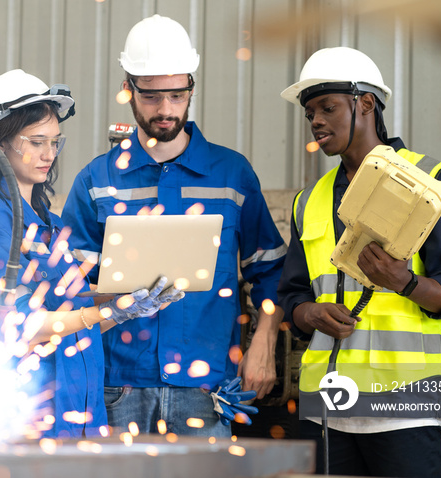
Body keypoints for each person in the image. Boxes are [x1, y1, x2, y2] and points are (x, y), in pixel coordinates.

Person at [61, 15, 287, 437]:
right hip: (118, 387)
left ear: (191, 90)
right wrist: (116, 296)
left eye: (177, 95)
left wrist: (264, 343)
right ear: (128, 90)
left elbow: (270, 269)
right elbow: (69, 287)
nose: (165, 109)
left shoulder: (232, 175)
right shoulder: (98, 181)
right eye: (151, 96)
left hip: (207, 387)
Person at [278, 47, 441, 477]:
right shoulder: (308, 201)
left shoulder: (430, 182)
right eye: (310, 111)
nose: (315, 120)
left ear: (365, 103)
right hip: (325, 409)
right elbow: (292, 296)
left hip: (404, 406)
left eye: (327, 107)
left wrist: (403, 281)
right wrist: (309, 312)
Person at [0, 69, 184, 439]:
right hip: (24, 419)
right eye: (36, 142)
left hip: (81, 411)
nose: (48, 155)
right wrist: (108, 308)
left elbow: (76, 314)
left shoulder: (51, 224)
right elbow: (18, 326)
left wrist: (128, 302)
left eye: (55, 142)